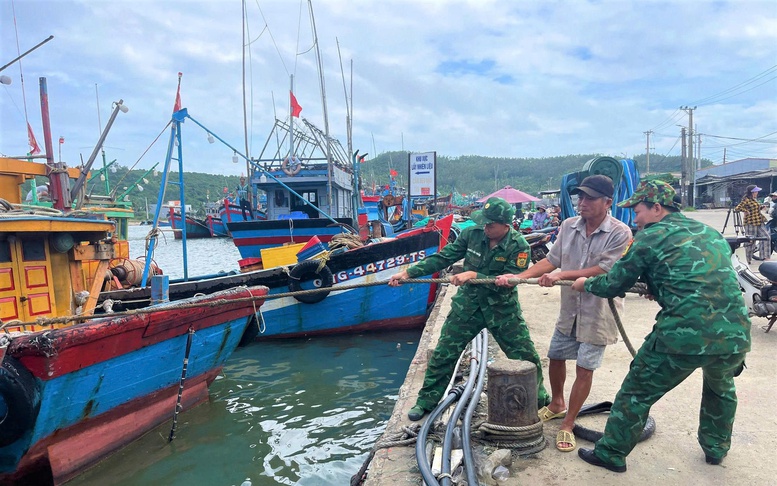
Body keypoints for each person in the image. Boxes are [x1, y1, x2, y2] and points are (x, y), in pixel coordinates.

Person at [569, 180, 750, 473]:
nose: (635, 219)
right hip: (735, 335)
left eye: (638, 211)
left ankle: (611, 453)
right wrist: (658, 284)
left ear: (656, 208)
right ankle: (716, 450)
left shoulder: (649, 237)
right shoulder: (710, 233)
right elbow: (701, 278)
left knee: (635, 393)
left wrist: (585, 283)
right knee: (721, 390)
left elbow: (614, 283)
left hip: (683, 336)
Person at [495, 175, 631, 452]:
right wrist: (520, 277)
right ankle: (558, 404)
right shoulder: (568, 226)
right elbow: (550, 260)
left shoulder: (621, 232)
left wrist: (561, 275)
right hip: (570, 308)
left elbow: (606, 270)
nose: (583, 202)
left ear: (608, 202)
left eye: (590, 198)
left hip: (598, 311)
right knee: (556, 355)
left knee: (585, 367)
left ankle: (568, 423)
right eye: (580, 197)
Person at [389, 197, 550, 421]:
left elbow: (513, 280)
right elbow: (444, 257)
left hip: (502, 309)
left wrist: (475, 275)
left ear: (505, 225)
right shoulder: (472, 235)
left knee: (525, 354)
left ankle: (540, 398)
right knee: (444, 353)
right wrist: (408, 273)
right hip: (468, 306)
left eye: (490, 224)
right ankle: (426, 400)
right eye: (483, 223)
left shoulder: (519, 246)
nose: (485, 228)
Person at [734, 184, 770, 262]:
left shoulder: (755, 199)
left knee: (766, 237)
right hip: (750, 222)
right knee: (750, 241)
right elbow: (737, 208)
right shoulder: (746, 199)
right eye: (756, 191)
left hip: (759, 221)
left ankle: (765, 257)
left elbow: (754, 208)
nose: (757, 192)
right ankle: (746, 259)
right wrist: (746, 211)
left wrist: (761, 207)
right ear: (753, 192)